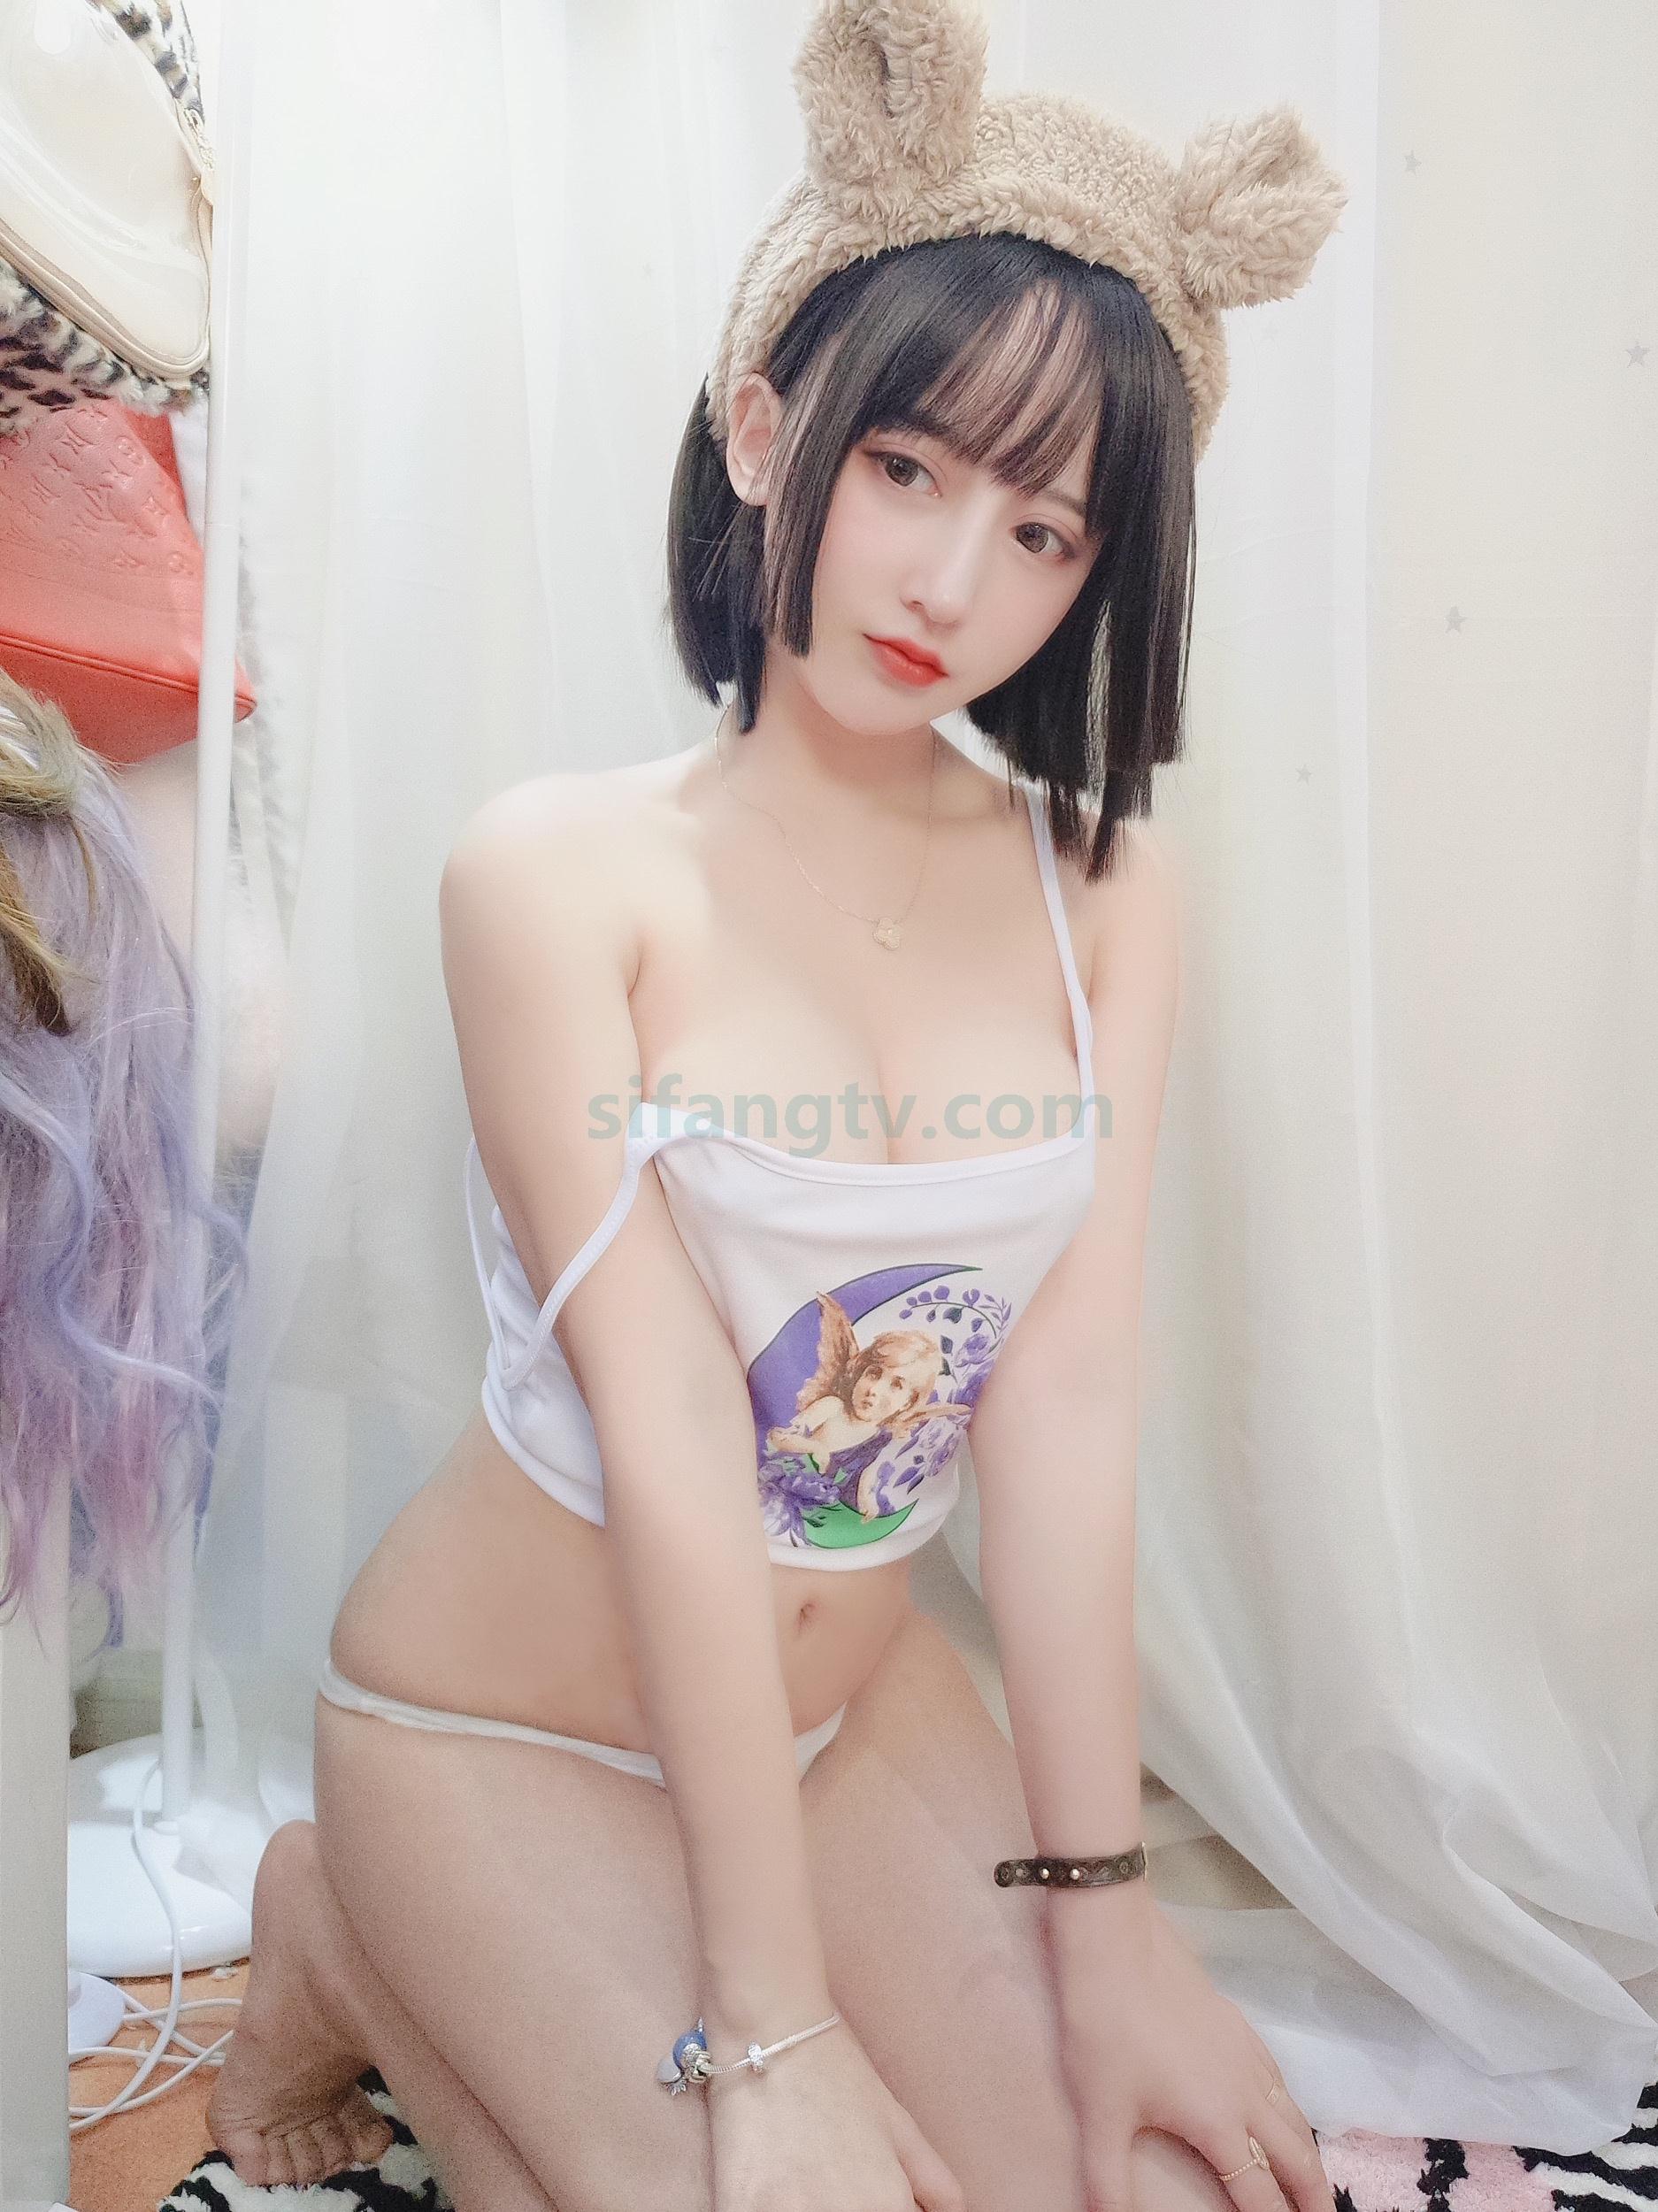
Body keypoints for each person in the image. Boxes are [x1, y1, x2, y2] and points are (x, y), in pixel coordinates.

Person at [206, 4, 1346, 2207]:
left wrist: (1105, 1926)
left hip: (845, 1710)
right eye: (907, 467)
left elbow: (1062, 1409)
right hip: (498, 1721)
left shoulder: (1107, 895)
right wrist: (773, 2022)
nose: (951, 581)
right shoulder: (556, 877)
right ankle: (341, 1914)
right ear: (762, 428)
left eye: (1043, 527)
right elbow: (670, 1438)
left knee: (1165, 2184)